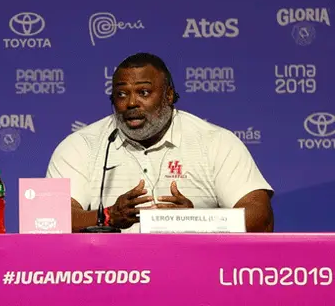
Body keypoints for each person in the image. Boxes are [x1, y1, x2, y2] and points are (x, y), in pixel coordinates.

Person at [45, 52, 274, 233]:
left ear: (169, 95)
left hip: (194, 270)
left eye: (144, 92)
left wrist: (197, 222)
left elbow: (260, 217)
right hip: (111, 272)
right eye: (122, 94)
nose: (131, 103)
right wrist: (107, 216)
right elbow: (48, 219)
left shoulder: (215, 143)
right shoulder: (82, 146)